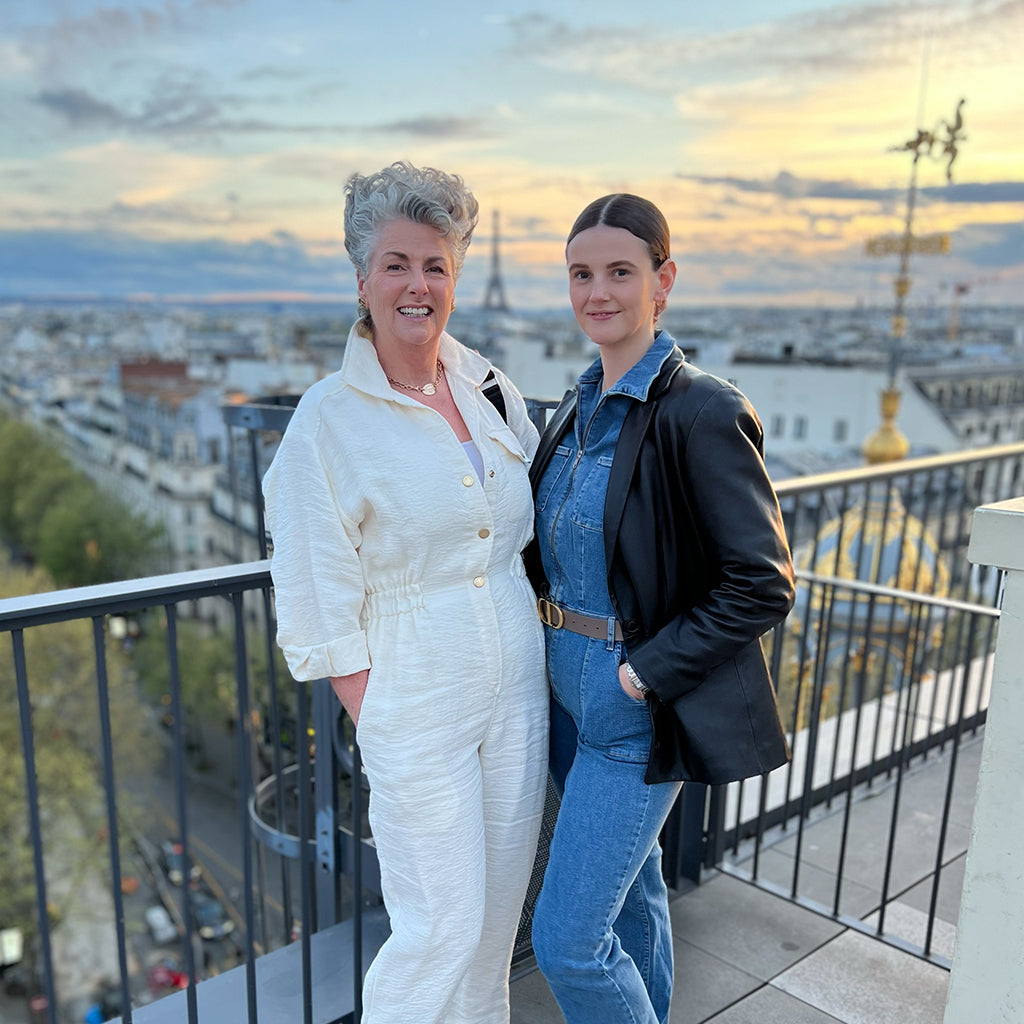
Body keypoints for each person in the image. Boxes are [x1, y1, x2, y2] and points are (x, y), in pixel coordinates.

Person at [262, 161, 549, 1024]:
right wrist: (377, 709)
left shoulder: (488, 387)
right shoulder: (326, 419)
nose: (416, 284)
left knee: (496, 921)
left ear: (455, 276)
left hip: (517, 681)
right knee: (439, 929)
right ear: (362, 280)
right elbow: (313, 588)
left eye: (435, 264)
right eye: (397, 264)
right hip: (414, 693)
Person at [526, 194, 796, 1024]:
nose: (597, 291)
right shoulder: (572, 408)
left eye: (620, 271)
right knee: (632, 898)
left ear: (663, 281)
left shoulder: (701, 410)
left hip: (630, 710)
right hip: (565, 700)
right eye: (581, 274)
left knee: (567, 941)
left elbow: (762, 580)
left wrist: (643, 674)